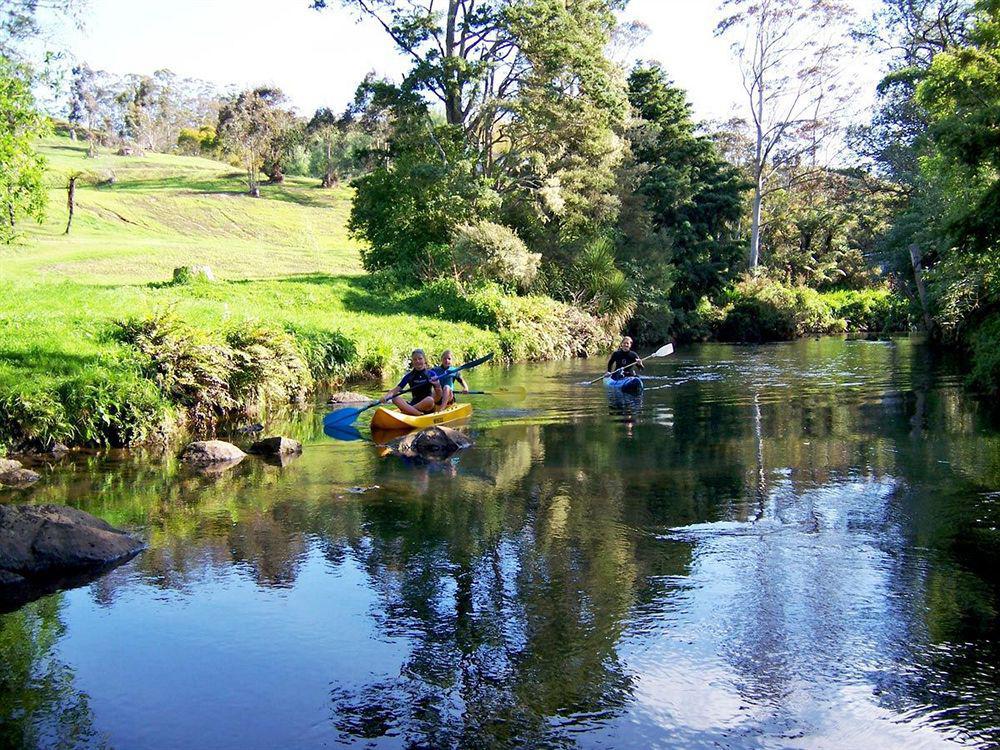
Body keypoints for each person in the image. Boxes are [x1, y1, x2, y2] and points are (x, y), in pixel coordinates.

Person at [382, 349, 441, 416]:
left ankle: (408, 411)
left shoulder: (432, 374)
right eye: (415, 359)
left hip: (427, 406)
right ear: (412, 362)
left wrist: (438, 386)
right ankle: (417, 413)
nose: (417, 361)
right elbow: (394, 391)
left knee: (430, 400)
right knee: (395, 398)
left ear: (425, 360)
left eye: (420, 359)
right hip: (413, 404)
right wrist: (385, 397)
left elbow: (438, 397)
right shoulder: (409, 376)